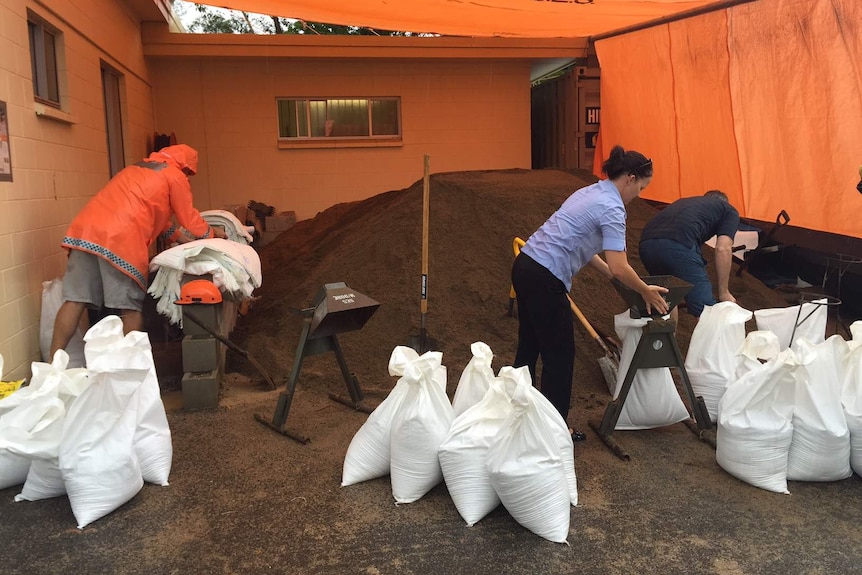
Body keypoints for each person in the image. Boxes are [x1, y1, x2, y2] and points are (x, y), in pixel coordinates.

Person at [511, 145, 669, 441]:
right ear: (630, 179)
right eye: (642, 188)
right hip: (545, 276)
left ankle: (519, 415)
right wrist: (645, 290)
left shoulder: (590, 192)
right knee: (560, 355)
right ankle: (555, 430)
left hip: (526, 265)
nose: (640, 195)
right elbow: (621, 266)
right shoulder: (612, 208)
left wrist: (608, 271)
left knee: (529, 346)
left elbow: (583, 243)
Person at [50, 144, 226, 357]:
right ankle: (129, 369)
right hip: (120, 240)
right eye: (189, 173)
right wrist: (213, 234)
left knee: (75, 300)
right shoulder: (174, 175)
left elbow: (158, 220)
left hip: (86, 234)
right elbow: (189, 218)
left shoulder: (135, 170)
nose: (188, 177)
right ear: (185, 167)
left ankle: (52, 366)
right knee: (130, 309)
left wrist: (182, 240)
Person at [638, 190, 740, 318]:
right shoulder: (728, 210)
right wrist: (724, 292)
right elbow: (723, 248)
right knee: (706, 310)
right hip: (678, 245)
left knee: (667, 298)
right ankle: (713, 336)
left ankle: (667, 337)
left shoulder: (686, 202)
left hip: (647, 245)